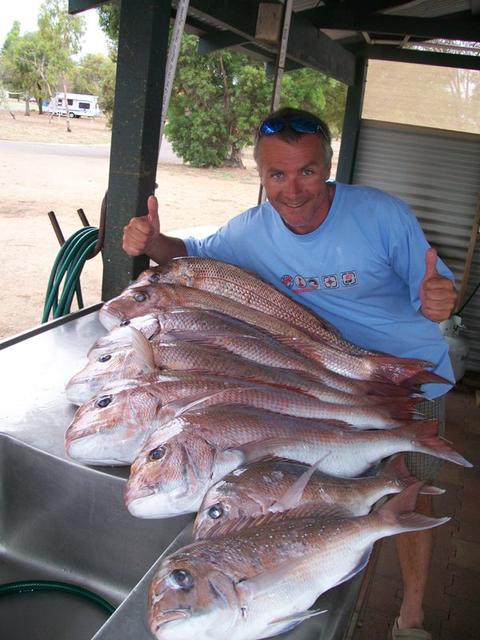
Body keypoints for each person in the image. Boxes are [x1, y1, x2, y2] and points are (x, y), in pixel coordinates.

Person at [123, 107, 458, 640]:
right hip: (322, 378)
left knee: (411, 484)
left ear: (328, 163)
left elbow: (437, 286)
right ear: (261, 174)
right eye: (277, 174)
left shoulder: (380, 215)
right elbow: (193, 256)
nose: (293, 189)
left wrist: (441, 298)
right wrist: (152, 243)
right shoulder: (251, 231)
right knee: (321, 484)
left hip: (404, 376)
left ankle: (412, 613)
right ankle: (316, 569)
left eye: (306, 170)